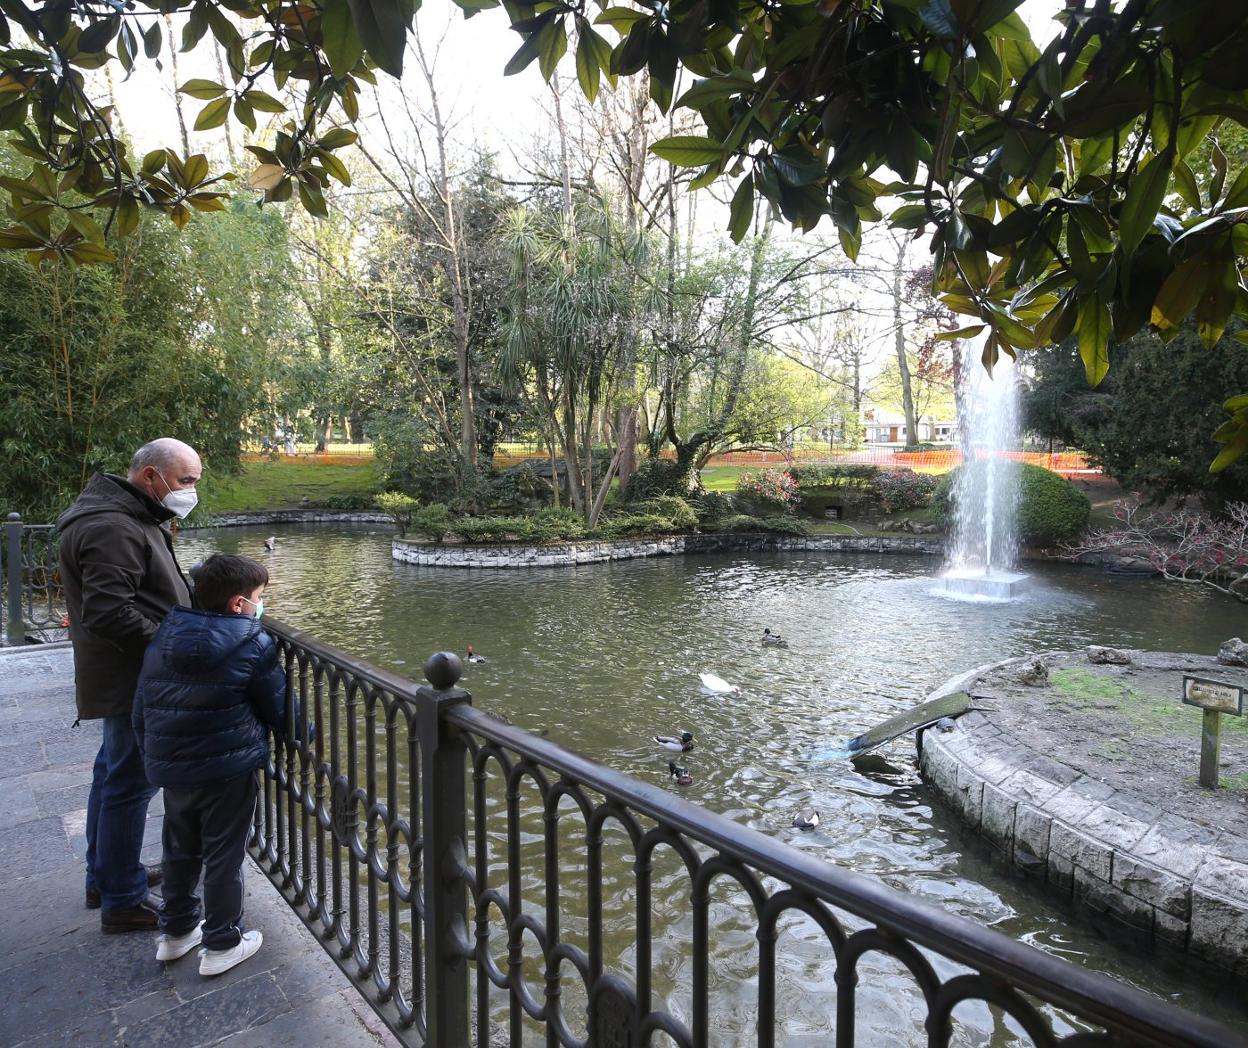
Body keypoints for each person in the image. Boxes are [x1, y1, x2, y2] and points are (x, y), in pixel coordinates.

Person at [56, 438, 200, 932]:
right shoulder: (111, 525)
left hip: (126, 673)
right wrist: (174, 645)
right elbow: (109, 612)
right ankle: (122, 898)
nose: (190, 491)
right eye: (186, 481)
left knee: (114, 773)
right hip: (132, 675)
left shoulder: (124, 514)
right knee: (130, 782)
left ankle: (108, 876)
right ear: (150, 477)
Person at [133, 553, 286, 975]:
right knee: (223, 852)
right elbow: (277, 706)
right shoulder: (252, 641)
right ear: (239, 604)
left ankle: (176, 931)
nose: (260, 605)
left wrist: (153, 754)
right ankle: (222, 941)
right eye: (259, 597)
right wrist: (304, 737)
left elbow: (141, 705)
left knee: (179, 848)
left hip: (173, 765)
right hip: (227, 767)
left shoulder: (165, 634)